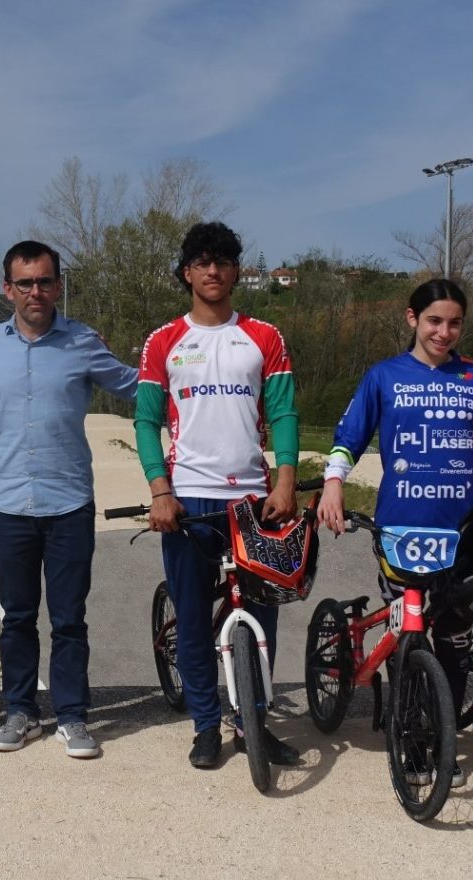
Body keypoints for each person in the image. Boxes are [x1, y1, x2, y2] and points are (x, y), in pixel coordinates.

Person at [317, 278, 473, 787]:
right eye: (435, 320)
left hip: (460, 533)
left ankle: (443, 736)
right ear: (412, 319)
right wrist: (332, 485)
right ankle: (410, 734)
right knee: (409, 637)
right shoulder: (384, 376)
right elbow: (349, 437)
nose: (445, 331)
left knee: (455, 644)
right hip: (399, 528)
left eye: (455, 322)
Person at [0, 240, 136, 758]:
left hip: (69, 502)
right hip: (8, 502)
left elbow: (131, 386)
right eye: (25, 283)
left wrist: (195, 391)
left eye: (45, 281)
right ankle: (20, 712)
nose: (36, 291)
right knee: (16, 617)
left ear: (58, 284)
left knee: (69, 618)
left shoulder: (82, 342)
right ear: (8, 289)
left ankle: (73, 717)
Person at [136, 222, 304, 770]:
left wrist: (284, 479)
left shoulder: (264, 336)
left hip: (254, 500)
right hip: (188, 498)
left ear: (236, 271)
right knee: (190, 616)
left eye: (223, 261)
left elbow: (281, 412)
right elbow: (145, 422)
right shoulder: (163, 340)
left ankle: (252, 717)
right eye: (202, 261)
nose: (213, 270)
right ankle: (206, 725)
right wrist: (161, 491)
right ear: (187, 272)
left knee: (262, 616)